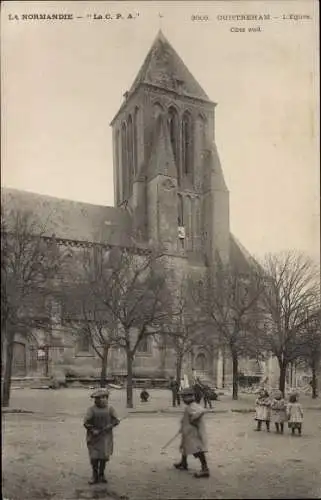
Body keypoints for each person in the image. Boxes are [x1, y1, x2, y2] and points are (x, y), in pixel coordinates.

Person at [84, 388, 120, 484]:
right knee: (94, 457)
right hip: (94, 438)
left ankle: (101, 474)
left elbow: (116, 420)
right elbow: (86, 423)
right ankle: (94, 475)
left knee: (103, 457)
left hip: (106, 437)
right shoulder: (91, 410)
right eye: (98, 398)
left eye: (103, 398)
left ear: (107, 398)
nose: (101, 400)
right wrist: (92, 429)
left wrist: (111, 425)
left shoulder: (110, 409)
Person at [174, 387, 210, 478]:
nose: (183, 400)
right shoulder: (189, 407)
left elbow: (201, 411)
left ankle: (205, 469)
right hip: (188, 432)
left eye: (183, 397)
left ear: (189, 397)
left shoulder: (193, 406)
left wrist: (193, 420)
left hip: (194, 434)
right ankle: (183, 463)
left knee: (198, 450)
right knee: (185, 446)